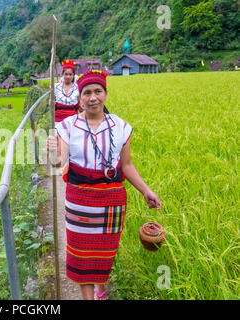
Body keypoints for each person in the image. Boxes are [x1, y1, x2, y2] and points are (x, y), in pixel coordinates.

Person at [46, 70, 162, 300]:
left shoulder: (120, 126)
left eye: (98, 91)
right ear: (79, 99)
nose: (92, 98)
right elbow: (60, 162)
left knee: (103, 251)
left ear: (105, 94)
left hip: (112, 201)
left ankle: (101, 289)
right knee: (81, 254)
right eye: (87, 93)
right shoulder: (67, 126)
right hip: (80, 200)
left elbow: (127, 166)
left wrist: (146, 190)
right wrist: (52, 149)